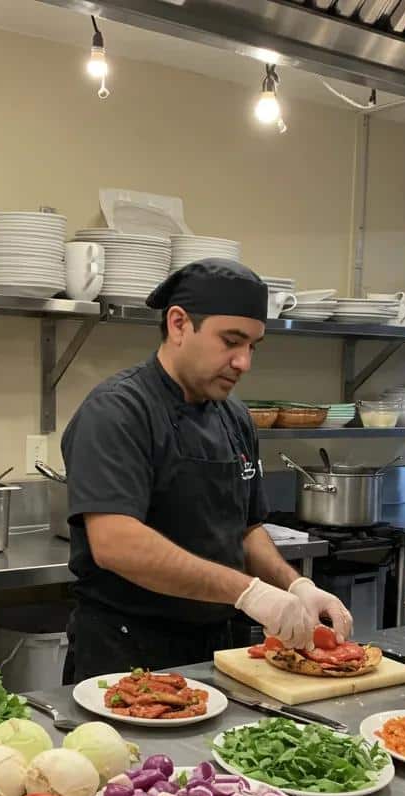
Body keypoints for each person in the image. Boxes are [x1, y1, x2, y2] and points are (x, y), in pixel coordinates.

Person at [59, 257, 352, 683]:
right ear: (178, 324)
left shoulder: (235, 418)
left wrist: (296, 586)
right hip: (127, 653)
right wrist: (247, 592)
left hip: (219, 648)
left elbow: (247, 529)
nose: (243, 362)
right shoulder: (118, 411)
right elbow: (116, 542)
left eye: (252, 346)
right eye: (231, 341)